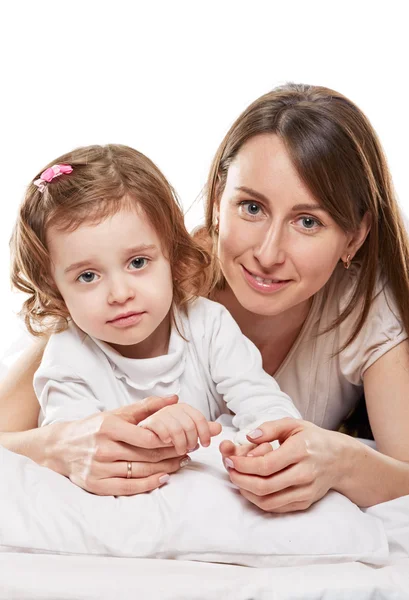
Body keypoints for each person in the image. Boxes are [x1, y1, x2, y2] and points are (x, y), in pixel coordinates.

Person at [1, 83, 409, 512]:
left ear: (355, 236)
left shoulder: (365, 311)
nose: (268, 254)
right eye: (251, 208)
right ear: (218, 198)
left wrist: (340, 464)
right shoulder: (145, 284)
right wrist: (59, 444)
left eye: (308, 221)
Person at [7, 144, 301, 492]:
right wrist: (155, 431)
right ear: (54, 288)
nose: (120, 294)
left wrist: (267, 442)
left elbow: (262, 400)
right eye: (88, 276)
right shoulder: (68, 357)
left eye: (137, 263)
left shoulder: (207, 325)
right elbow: (80, 451)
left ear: (172, 256)